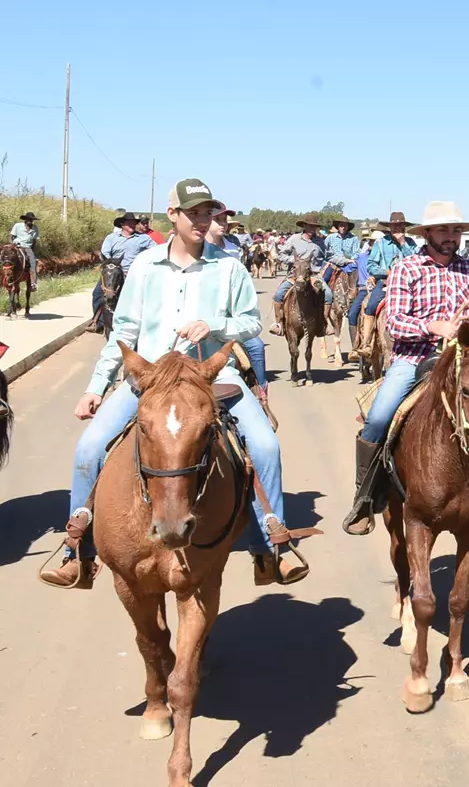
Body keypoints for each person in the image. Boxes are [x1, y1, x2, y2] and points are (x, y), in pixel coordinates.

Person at [39, 178, 307, 589]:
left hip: (211, 378)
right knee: (90, 447)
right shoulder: (146, 265)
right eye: (193, 213)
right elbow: (125, 330)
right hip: (149, 379)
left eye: (207, 213)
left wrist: (214, 323)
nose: (202, 221)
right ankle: (79, 551)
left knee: (266, 446)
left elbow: (251, 323)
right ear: (173, 216)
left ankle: (271, 545)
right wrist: (96, 386)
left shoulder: (229, 266)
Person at [343, 202, 469, 536]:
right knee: (380, 417)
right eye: (443, 230)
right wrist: (433, 327)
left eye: (456, 231)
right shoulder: (407, 269)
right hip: (414, 359)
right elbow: (395, 322)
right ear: (426, 234)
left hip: (461, 362)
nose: (451, 237)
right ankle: (365, 496)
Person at [206, 205, 270, 405]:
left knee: (257, 346)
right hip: (201, 321)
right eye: (219, 220)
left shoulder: (233, 248)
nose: (223, 225)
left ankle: (261, 391)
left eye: (225, 221)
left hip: (232, 318)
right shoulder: (192, 252)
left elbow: (241, 285)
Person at [270, 214, 331, 335]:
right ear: (304, 226)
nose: (312, 228)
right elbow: (281, 254)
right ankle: (279, 323)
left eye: (314, 226)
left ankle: (324, 323)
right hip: (295, 275)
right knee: (279, 295)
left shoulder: (320, 242)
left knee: (328, 294)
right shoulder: (294, 239)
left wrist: (345, 261)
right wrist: (293, 260)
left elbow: (329, 256)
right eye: (310, 226)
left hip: (313, 275)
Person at [92, 212, 154, 319]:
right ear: (123, 225)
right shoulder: (111, 238)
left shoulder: (144, 238)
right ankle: (98, 322)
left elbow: (155, 250)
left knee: (143, 296)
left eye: (133, 223)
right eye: (129, 223)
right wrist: (113, 263)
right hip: (112, 272)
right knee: (98, 294)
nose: (132, 225)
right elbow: (105, 253)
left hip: (132, 274)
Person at [362, 211, 417, 319]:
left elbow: (416, 262)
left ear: (404, 227)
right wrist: (385, 272)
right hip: (385, 282)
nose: (398, 228)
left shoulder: (410, 243)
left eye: (400, 225)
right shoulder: (380, 243)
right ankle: (367, 336)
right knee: (371, 306)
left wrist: (402, 243)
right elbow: (370, 265)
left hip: (409, 283)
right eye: (394, 225)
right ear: (390, 227)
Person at [322, 215, 361, 296]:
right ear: (338, 227)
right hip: (334, 264)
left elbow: (356, 252)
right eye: (341, 225)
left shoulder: (354, 238)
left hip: (349, 265)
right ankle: (322, 301)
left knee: (359, 282)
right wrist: (327, 261)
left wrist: (351, 260)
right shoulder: (330, 238)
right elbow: (324, 250)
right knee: (324, 281)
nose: (343, 227)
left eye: (345, 226)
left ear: (348, 227)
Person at [8, 210, 40, 291]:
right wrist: (13, 245)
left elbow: (34, 241)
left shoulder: (35, 228)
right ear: (25, 219)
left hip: (27, 247)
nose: (30, 221)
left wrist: (32, 251)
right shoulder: (18, 226)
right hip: (17, 246)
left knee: (33, 262)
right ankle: (6, 280)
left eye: (32, 220)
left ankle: (33, 283)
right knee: (6, 258)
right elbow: (11, 237)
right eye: (29, 219)